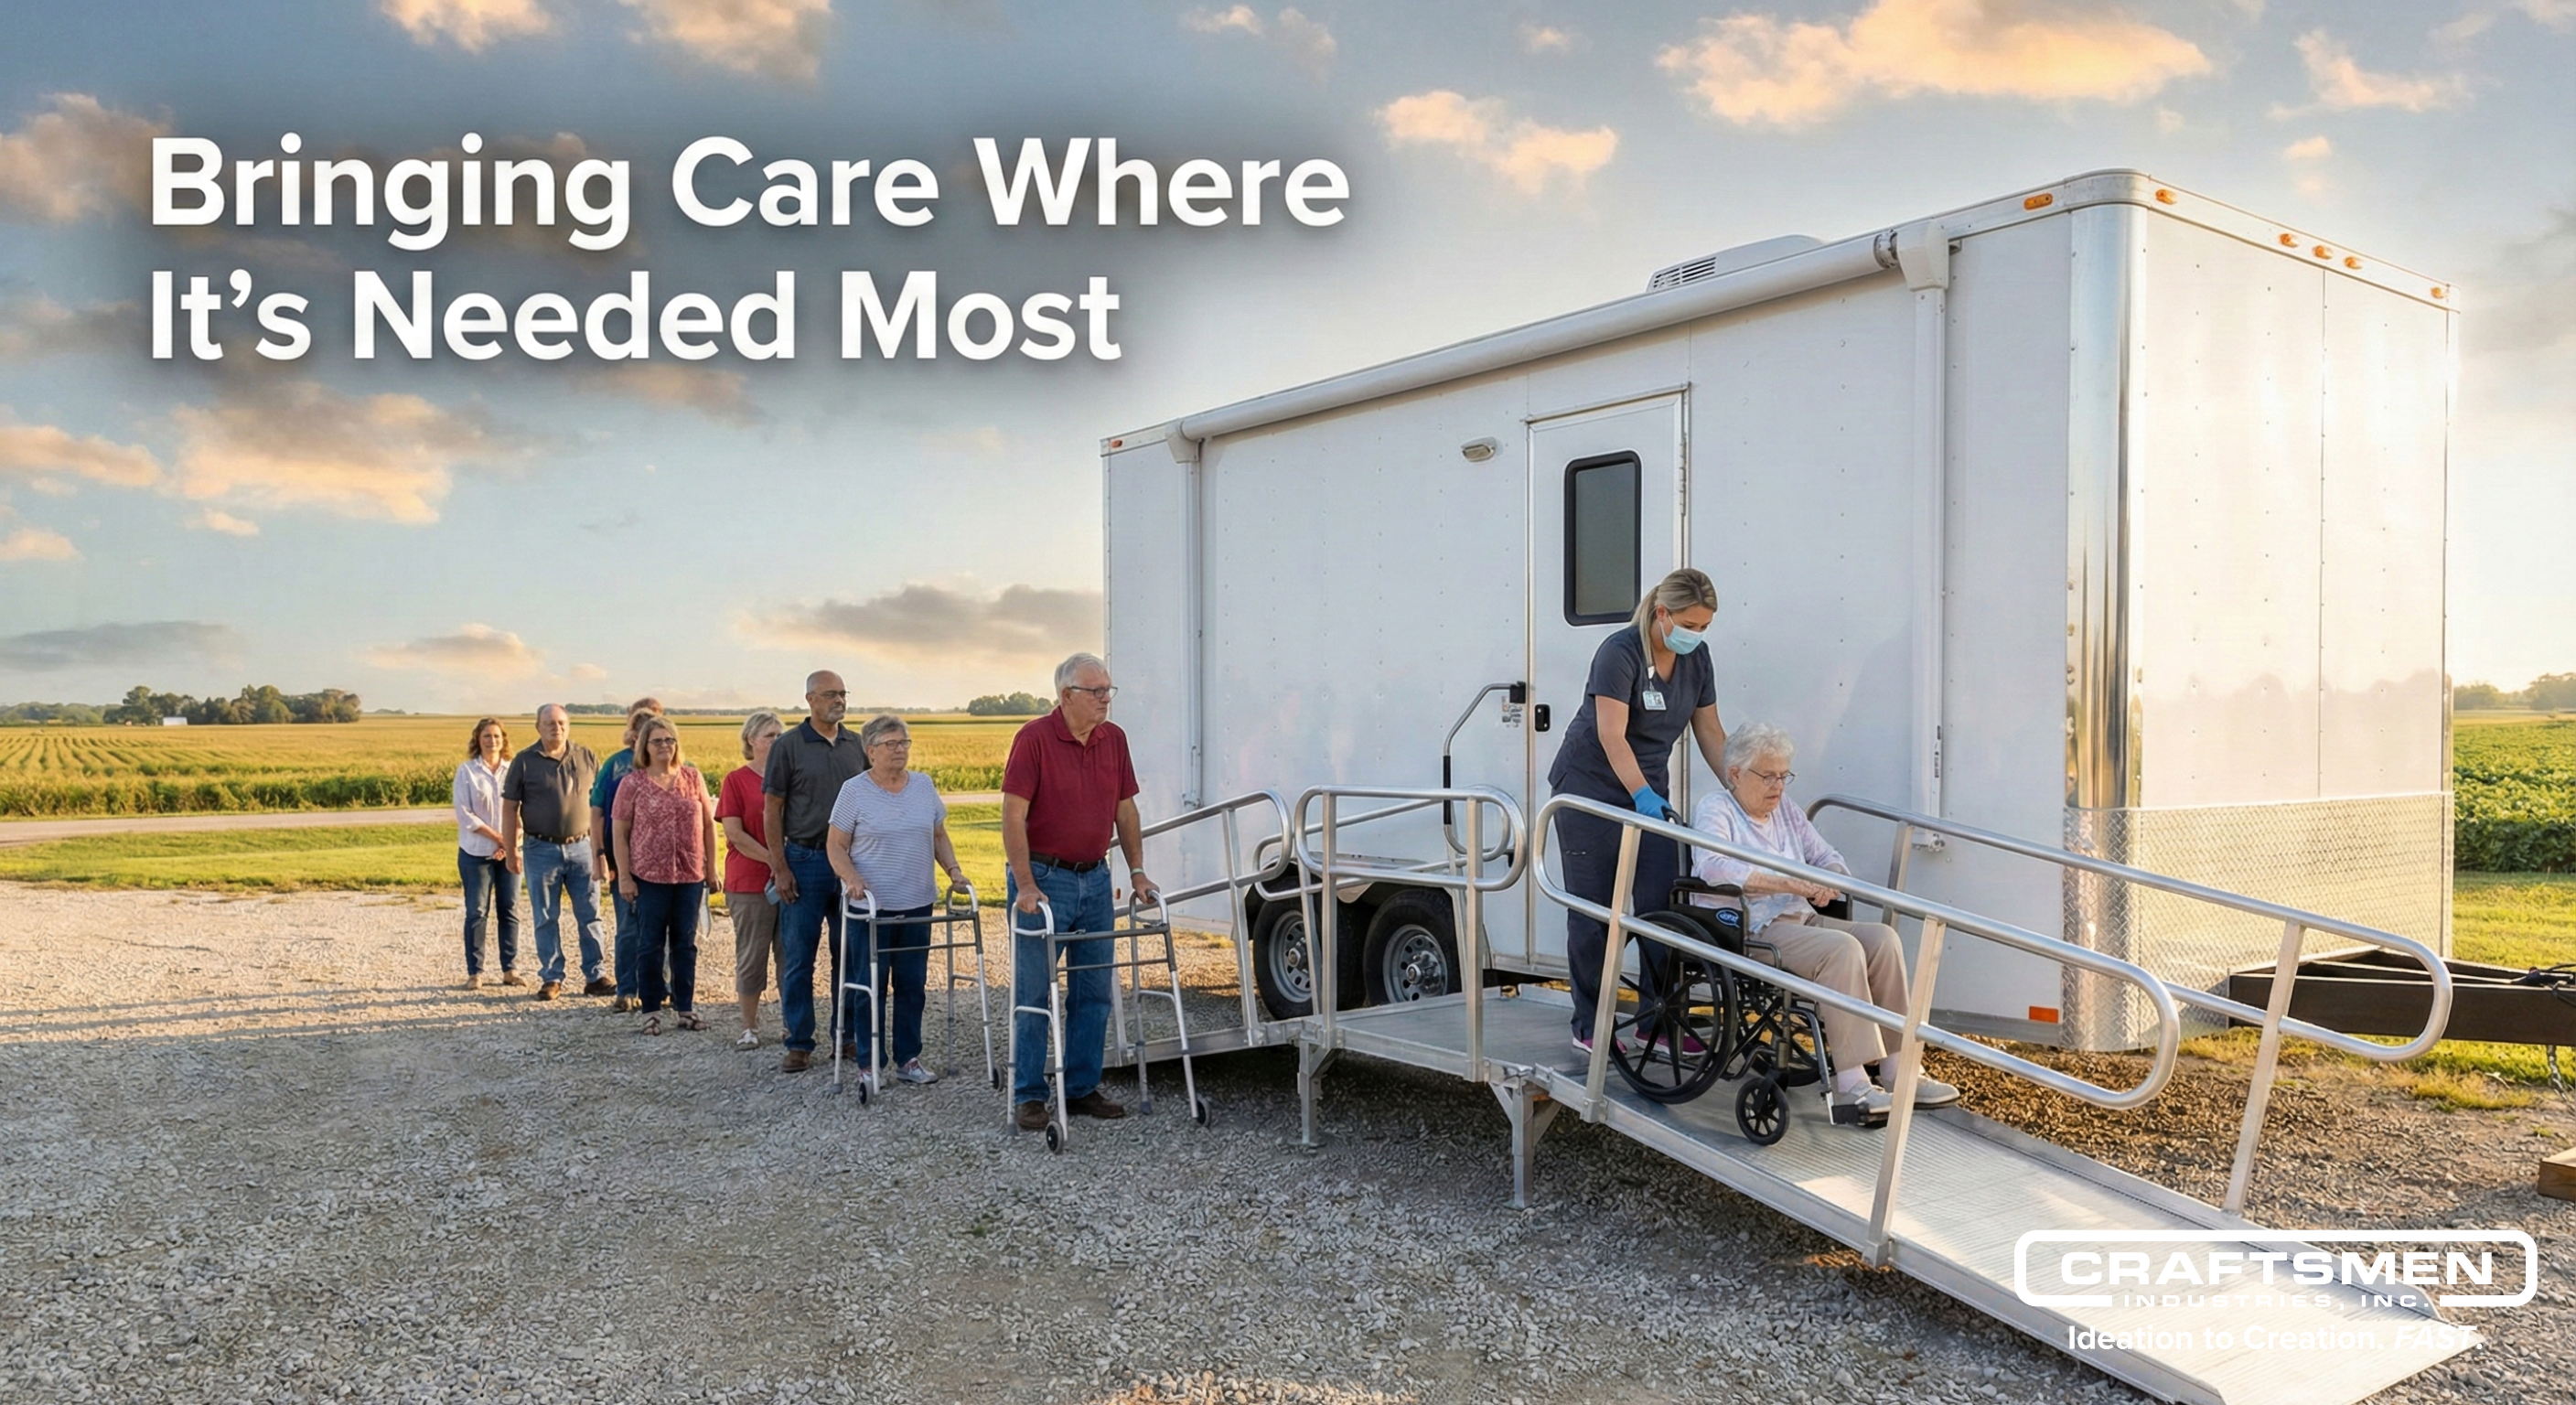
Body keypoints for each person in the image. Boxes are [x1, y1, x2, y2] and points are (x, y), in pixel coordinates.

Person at [1687, 722, 1959, 1120]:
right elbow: (1713, 868)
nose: (1778, 786)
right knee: (1842, 949)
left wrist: (1827, 880)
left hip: (1801, 921)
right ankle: (1851, 1086)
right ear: (1735, 774)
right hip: (1751, 929)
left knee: (1883, 940)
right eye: (1768, 776)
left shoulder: (1786, 811)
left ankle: (1899, 1070)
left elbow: (1828, 856)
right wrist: (1790, 883)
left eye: (1784, 776)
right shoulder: (1717, 809)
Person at [1548, 567, 1728, 1056]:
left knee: (1661, 909)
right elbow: (1611, 734)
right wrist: (1640, 796)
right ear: (1662, 613)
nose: (1697, 635)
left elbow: (1709, 731)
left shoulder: (1698, 660)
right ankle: (1590, 1024)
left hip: (1650, 793)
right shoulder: (1619, 652)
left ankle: (1658, 1021)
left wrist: (1740, 784)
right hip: (1589, 787)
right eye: (1690, 625)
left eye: (1705, 628)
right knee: (1595, 914)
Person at [1002, 652, 1160, 1131]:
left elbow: (1125, 810)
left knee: (1093, 990)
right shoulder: (1034, 739)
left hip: (1094, 879)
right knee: (1034, 989)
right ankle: (1029, 1094)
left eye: (1109, 690)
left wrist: (1136, 871)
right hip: (1044, 880)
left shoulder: (1114, 740)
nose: (1105, 700)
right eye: (1096, 692)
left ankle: (1080, 1086)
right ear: (1067, 695)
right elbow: (1012, 814)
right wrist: (1025, 884)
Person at [826, 713, 971, 1084]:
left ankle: (908, 1059)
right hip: (871, 908)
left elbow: (938, 836)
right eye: (891, 744)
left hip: (917, 902)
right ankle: (869, 1063)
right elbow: (836, 847)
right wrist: (852, 878)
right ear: (870, 749)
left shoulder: (923, 786)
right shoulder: (854, 791)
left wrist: (954, 871)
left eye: (904, 743)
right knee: (869, 985)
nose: (899, 750)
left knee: (911, 984)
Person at [763, 670, 871, 1073]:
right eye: (830, 694)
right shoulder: (788, 746)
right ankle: (799, 1042)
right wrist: (780, 866)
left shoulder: (856, 744)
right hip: (804, 862)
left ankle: (846, 1037)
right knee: (799, 958)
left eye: (843, 693)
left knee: (851, 955)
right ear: (809, 699)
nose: (839, 700)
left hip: (849, 864)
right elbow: (771, 810)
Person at [613, 715, 719, 1035]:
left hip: (689, 874)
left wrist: (711, 868)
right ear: (644, 745)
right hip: (649, 875)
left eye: (669, 739)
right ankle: (651, 1010)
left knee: (685, 944)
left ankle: (685, 1008)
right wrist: (625, 877)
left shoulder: (692, 777)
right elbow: (620, 832)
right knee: (650, 945)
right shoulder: (632, 783)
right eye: (657, 740)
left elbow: (708, 825)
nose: (664, 746)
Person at [499, 703, 608, 1001]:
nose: (555, 728)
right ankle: (551, 977)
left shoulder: (587, 757)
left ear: (568, 725)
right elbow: (510, 808)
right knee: (545, 916)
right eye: (549, 723)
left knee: (590, 914)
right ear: (538, 727)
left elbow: (601, 807)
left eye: (561, 722)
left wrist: (603, 851)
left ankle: (596, 975)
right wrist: (510, 851)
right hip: (540, 848)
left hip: (583, 847)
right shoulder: (524, 761)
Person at [718, 711, 786, 1048]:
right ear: (751, 740)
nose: (776, 741)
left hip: (790, 879)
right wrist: (773, 860)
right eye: (769, 735)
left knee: (791, 955)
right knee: (752, 955)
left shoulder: (790, 778)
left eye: (779, 735)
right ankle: (749, 1026)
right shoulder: (736, 780)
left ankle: (793, 1024)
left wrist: (785, 865)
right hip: (749, 881)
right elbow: (735, 833)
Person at [593, 698, 665, 1013]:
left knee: (661, 926)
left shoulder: (672, 768)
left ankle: (660, 986)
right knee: (628, 927)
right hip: (623, 859)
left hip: (662, 863)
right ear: (633, 734)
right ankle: (626, 988)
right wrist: (600, 855)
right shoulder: (615, 765)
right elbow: (596, 812)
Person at [452, 716, 524, 989]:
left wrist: (509, 843)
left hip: (510, 852)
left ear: (503, 740)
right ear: (477, 740)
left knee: (509, 909)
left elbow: (523, 811)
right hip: (476, 853)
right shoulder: (467, 772)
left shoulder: (513, 770)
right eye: (486, 736)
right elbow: (465, 814)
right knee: (477, 911)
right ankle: (476, 972)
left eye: (496, 736)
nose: (492, 741)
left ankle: (510, 970)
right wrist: (499, 839)